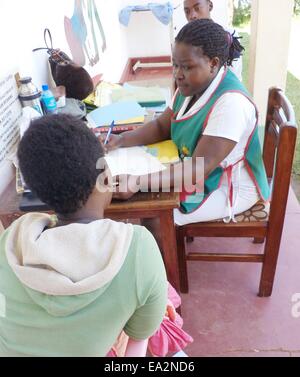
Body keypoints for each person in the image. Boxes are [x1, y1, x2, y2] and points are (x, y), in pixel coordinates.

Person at [0, 114, 167, 357]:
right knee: (164, 310)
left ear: (39, 194)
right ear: (107, 179)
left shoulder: (11, 240)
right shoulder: (138, 249)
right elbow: (140, 336)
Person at [106, 19, 270, 229]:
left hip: (227, 186)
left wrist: (137, 181)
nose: (178, 74)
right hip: (198, 169)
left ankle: (163, 262)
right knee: (150, 196)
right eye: (175, 64)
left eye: (187, 67)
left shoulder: (231, 104)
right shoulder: (190, 86)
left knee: (156, 215)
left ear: (213, 63)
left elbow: (198, 168)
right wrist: (121, 139)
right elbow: (161, 127)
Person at [183, 0, 243, 81]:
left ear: (210, 6)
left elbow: (235, 75)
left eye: (197, 8)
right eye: (187, 11)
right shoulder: (185, 41)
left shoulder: (228, 36)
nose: (192, 16)